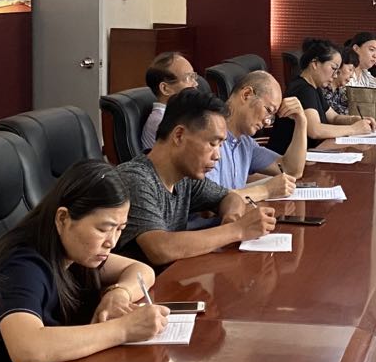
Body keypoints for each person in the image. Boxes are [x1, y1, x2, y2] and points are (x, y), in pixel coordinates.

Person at [0, 160, 171, 362]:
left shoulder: (77, 252)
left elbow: (141, 271)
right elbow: (27, 350)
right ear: (63, 219)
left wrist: (118, 294)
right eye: (103, 229)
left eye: (119, 229)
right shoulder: (22, 266)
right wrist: (124, 329)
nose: (112, 242)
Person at [116, 89, 277, 265]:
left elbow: (229, 197)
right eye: (212, 143)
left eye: (220, 145)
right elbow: (160, 248)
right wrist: (236, 230)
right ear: (179, 135)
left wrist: (232, 217)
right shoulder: (135, 178)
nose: (217, 156)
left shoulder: (185, 178)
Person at [204, 71, 304, 212]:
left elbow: (291, 170)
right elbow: (209, 202)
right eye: (268, 110)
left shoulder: (246, 144)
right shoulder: (207, 137)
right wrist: (266, 190)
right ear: (246, 94)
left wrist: (301, 122)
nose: (267, 122)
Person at [269, 39, 376, 156]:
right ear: (315, 63)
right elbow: (315, 130)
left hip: (308, 154)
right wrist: (354, 129)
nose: (335, 75)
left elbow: (334, 118)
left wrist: (355, 120)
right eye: (333, 68)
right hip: (285, 158)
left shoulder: (315, 88)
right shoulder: (303, 89)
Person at [140, 51, 201, 152]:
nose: (195, 84)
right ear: (165, 88)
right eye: (188, 77)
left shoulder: (180, 114)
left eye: (193, 76)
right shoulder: (161, 121)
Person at [324, 46, 360, 116]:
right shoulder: (324, 90)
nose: (352, 76)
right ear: (338, 66)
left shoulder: (340, 92)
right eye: (350, 70)